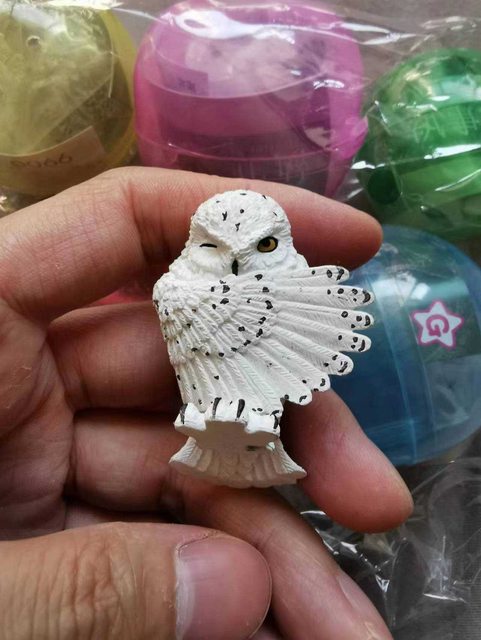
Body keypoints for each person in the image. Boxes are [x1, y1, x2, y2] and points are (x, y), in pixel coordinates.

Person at [0, 168, 412, 640]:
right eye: (214, 247)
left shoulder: (282, 283)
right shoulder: (174, 290)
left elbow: (297, 332)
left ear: (279, 243)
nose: (235, 264)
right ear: (197, 241)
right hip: (207, 413)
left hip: (255, 420)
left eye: (264, 246)